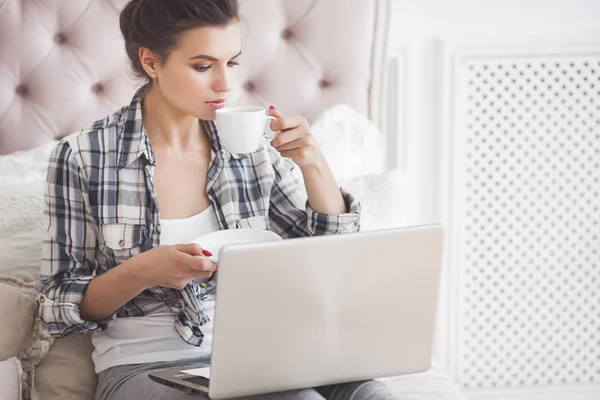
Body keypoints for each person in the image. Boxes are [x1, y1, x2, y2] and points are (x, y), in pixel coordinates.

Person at [39, 1, 398, 399]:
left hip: (269, 347)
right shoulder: (84, 156)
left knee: (373, 394)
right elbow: (57, 305)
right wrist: (142, 271)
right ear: (151, 62)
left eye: (233, 63)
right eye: (203, 66)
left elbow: (330, 257)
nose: (225, 85)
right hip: (149, 364)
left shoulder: (250, 147)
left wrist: (314, 164)